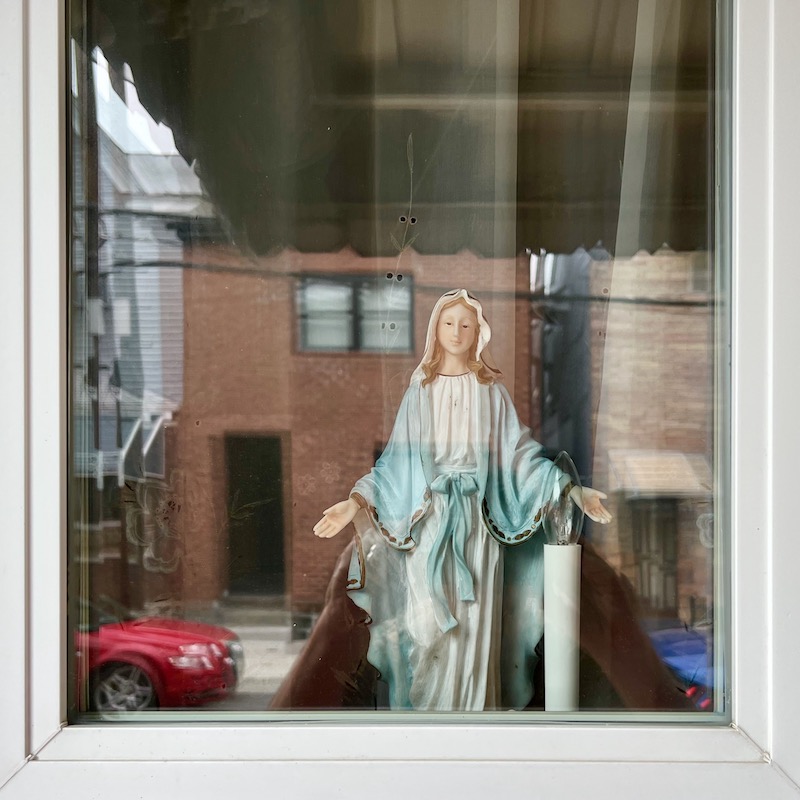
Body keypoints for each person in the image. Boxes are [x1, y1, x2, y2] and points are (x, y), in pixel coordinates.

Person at [314, 289, 611, 711]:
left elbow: (520, 456)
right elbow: (395, 464)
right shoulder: (419, 392)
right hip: (430, 522)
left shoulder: (490, 392)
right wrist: (356, 501)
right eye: (449, 322)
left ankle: (476, 709)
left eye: (466, 324)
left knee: (474, 621)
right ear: (435, 328)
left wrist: (571, 489)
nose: (457, 331)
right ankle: (431, 712)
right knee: (426, 625)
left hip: (476, 523)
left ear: (479, 334)